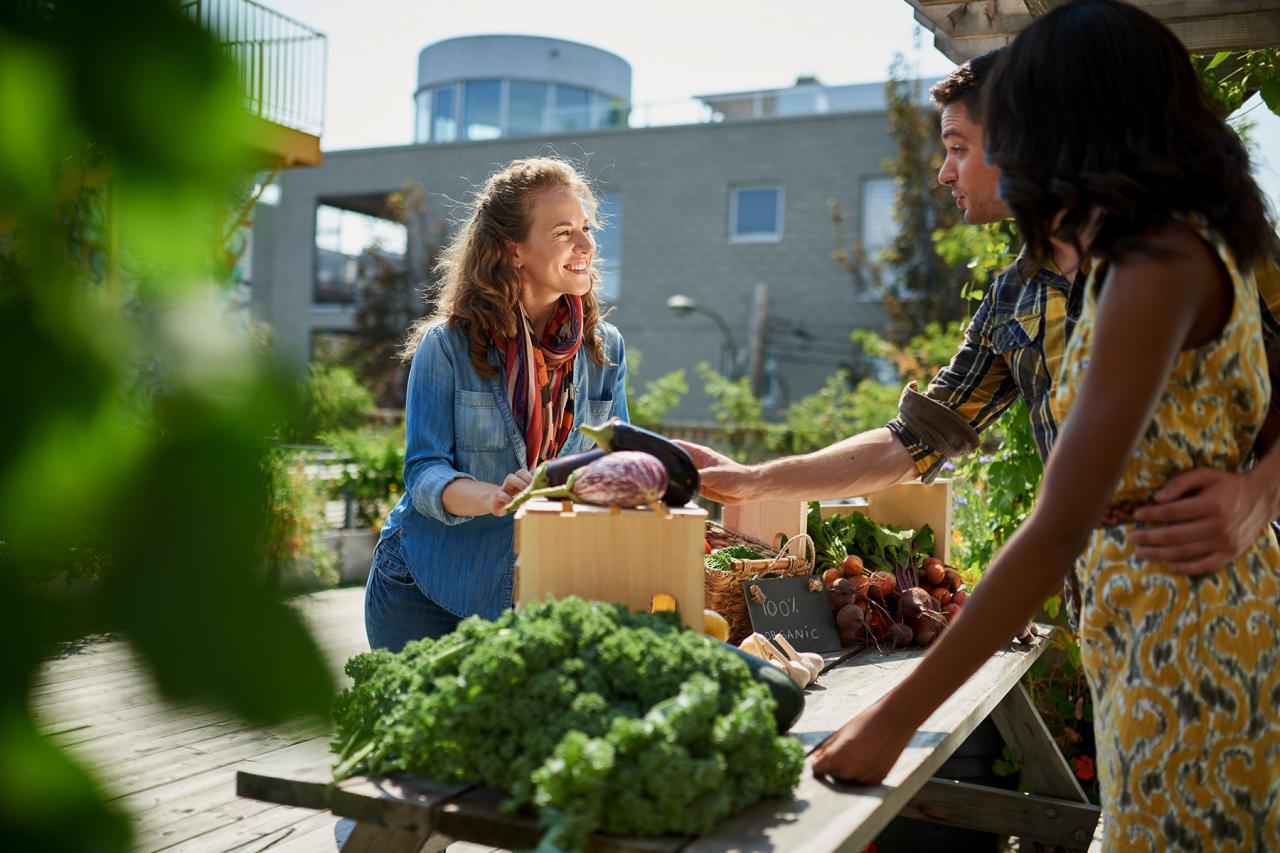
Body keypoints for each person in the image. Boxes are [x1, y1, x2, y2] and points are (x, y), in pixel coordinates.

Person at [811, 2, 1280, 849]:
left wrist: (893, 720)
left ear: (1076, 120)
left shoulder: (1153, 263)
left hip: (1192, 635)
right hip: (1156, 620)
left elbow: (1058, 522)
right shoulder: (1154, 253)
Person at [677, 48, 1280, 581]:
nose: (943, 173)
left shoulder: (1195, 253)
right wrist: (752, 480)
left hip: (1227, 596)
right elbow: (912, 443)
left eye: (958, 148)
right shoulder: (1012, 297)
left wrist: (1261, 491)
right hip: (1101, 604)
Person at [364, 157, 629, 652]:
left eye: (587, 229)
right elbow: (424, 472)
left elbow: (617, 462)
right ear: (513, 250)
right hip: (428, 590)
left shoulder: (604, 350)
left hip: (543, 592)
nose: (587, 246)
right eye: (563, 232)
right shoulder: (446, 347)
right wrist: (493, 497)